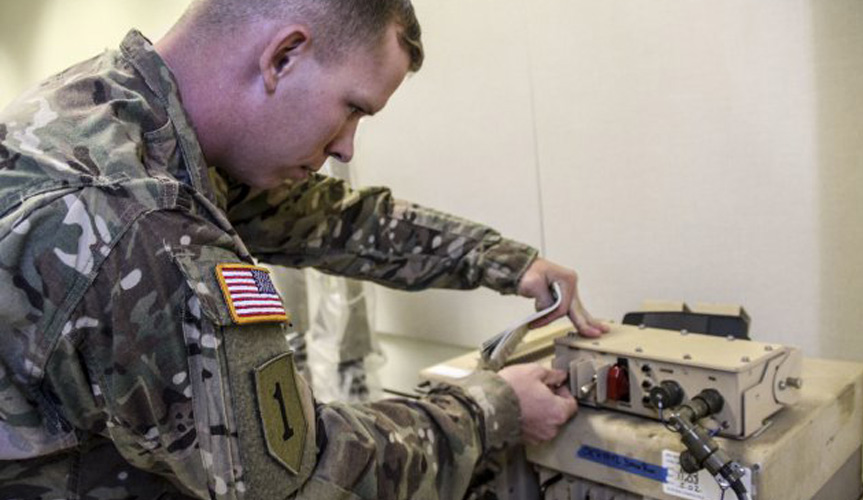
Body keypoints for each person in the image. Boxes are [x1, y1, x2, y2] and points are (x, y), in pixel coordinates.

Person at [0, 0, 609, 498]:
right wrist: (493, 408)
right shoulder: (139, 222)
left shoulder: (109, 110)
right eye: (353, 109)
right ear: (283, 57)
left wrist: (503, 261)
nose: (346, 147)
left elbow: (326, 220)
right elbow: (297, 477)